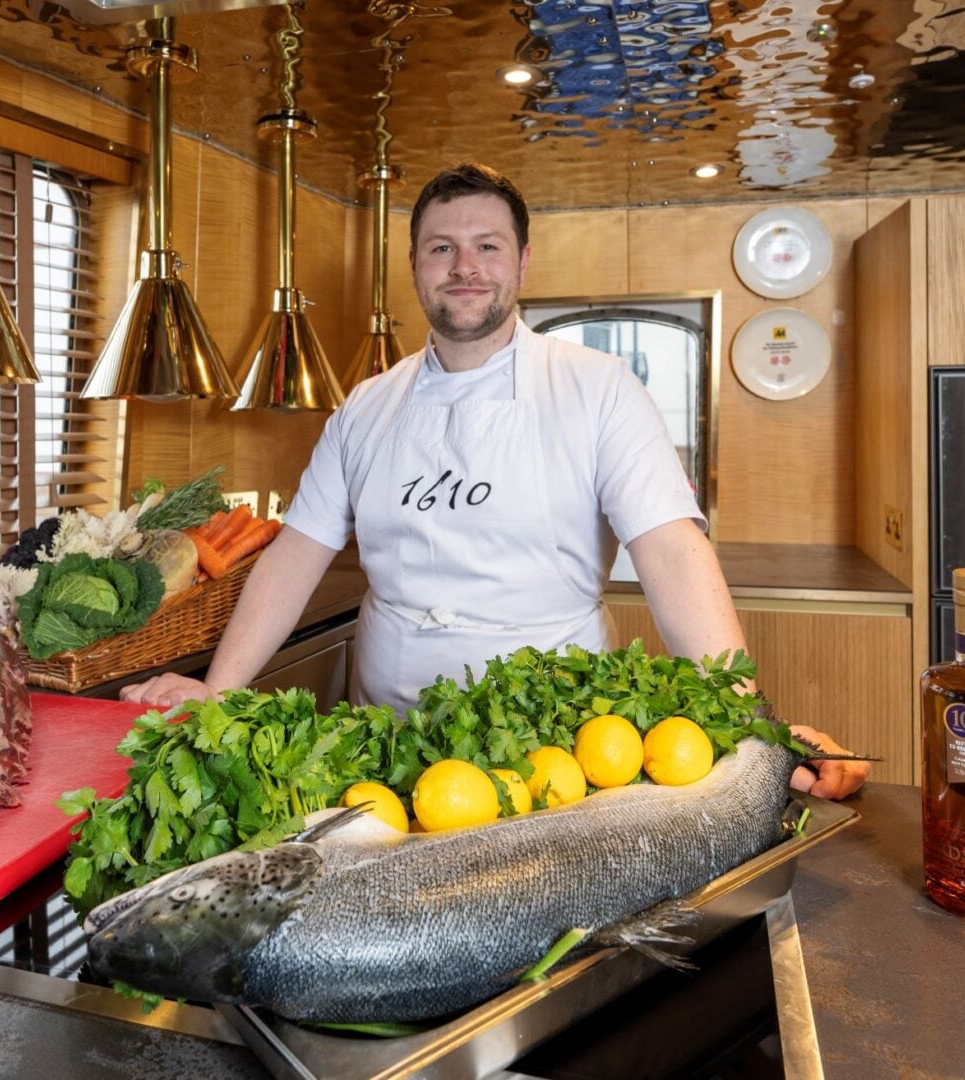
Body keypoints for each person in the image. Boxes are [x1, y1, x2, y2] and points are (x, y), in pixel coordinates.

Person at [124, 163, 869, 800]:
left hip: (553, 754)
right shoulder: (367, 406)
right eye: (442, 247)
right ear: (415, 263)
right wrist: (218, 691)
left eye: (488, 246)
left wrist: (739, 717)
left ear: (522, 262)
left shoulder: (598, 387)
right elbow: (294, 557)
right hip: (390, 744)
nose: (465, 267)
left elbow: (672, 552)